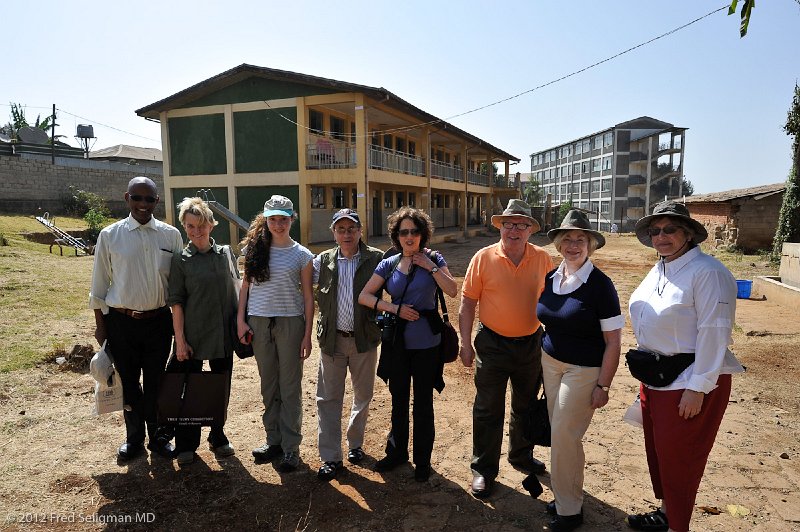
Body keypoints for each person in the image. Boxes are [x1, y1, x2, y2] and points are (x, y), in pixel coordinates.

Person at [626, 200, 744, 532]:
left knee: (681, 461)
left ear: (688, 233)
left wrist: (698, 388)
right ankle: (667, 514)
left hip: (689, 381)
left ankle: (678, 525)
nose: (661, 236)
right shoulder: (661, 267)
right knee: (661, 454)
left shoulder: (708, 273)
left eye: (670, 229)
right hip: (657, 376)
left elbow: (714, 331)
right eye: (655, 230)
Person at [459, 198, 554, 498]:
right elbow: (467, 303)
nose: (514, 230)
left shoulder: (543, 259)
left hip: (530, 344)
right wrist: (464, 343)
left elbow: (552, 302)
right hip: (492, 344)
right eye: (509, 224)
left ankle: (521, 456)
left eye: (521, 225)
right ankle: (483, 470)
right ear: (500, 226)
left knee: (524, 406)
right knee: (488, 408)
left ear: (530, 230)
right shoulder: (483, 258)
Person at [536, 210, 624, 531]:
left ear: (590, 245)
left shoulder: (601, 286)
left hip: (585, 369)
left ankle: (570, 510)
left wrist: (604, 385)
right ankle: (563, 495)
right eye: (568, 239)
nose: (574, 245)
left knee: (564, 434)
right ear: (559, 245)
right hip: (551, 364)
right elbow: (547, 320)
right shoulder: (551, 277)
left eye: (580, 239)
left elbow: (613, 342)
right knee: (559, 433)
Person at [358, 207, 457, 482]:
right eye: (404, 232)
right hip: (397, 343)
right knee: (398, 400)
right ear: (397, 236)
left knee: (423, 403)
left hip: (428, 343)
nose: (410, 236)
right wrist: (392, 308)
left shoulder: (434, 258)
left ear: (423, 234)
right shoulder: (389, 263)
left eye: (415, 231)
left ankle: (423, 461)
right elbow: (364, 296)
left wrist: (431, 267)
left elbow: (452, 290)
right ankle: (397, 452)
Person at [89, 176, 183, 461]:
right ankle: (134, 440)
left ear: (157, 201)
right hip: (122, 323)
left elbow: (178, 285)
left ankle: (157, 437)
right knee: (129, 383)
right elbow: (99, 286)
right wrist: (101, 327)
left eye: (150, 199)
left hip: (158, 322)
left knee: (156, 382)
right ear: (126, 198)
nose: (143, 204)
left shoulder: (171, 235)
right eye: (137, 198)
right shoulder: (110, 236)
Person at [238, 195, 314, 473]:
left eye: (284, 219)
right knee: (268, 385)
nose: (279, 224)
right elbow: (245, 288)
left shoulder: (302, 255)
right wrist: (240, 321)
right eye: (273, 219)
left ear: (292, 219)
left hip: (290, 324)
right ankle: (274, 441)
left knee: (290, 387)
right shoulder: (253, 250)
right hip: (258, 323)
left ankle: (291, 448)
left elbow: (308, 297)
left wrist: (307, 335)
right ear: (266, 220)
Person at [166, 197, 238, 466]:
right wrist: (180, 341)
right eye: (189, 226)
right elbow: (176, 301)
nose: (196, 231)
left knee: (221, 388)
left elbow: (236, 290)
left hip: (221, 336)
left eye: (201, 225)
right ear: (184, 227)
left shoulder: (225, 255)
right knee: (190, 390)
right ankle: (187, 443)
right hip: (193, 337)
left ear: (211, 224)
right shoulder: (180, 259)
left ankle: (218, 436)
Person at [313, 209, 384, 481]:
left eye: (351, 229)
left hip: (364, 340)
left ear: (360, 231)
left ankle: (355, 444)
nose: (346, 234)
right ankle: (330, 457)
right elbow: (302, 286)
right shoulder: (323, 262)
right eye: (340, 229)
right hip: (332, 341)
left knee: (362, 395)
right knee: (328, 399)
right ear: (334, 233)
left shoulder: (376, 259)